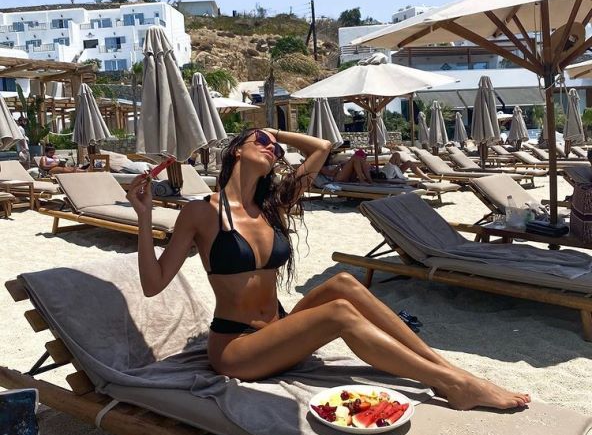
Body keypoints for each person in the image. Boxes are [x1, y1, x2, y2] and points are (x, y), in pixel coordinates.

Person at [127, 127, 530, 411]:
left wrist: (274, 133)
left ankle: (447, 368)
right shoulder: (201, 212)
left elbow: (321, 148)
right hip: (238, 348)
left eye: (276, 149)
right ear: (235, 151)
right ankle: (452, 384)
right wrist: (144, 217)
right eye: (262, 142)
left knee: (344, 284)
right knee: (338, 312)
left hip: (280, 328)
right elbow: (153, 284)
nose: (273, 149)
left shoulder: (272, 207)